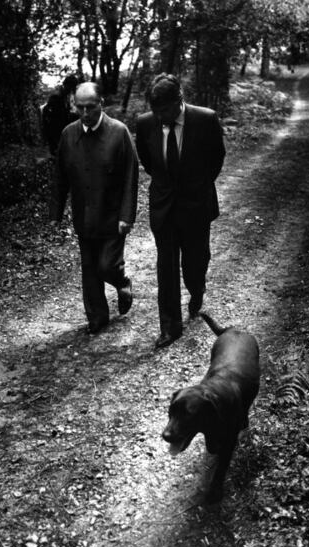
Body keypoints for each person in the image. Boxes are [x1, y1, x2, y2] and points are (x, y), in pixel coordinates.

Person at [136, 73, 226, 349]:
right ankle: (170, 326)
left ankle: (196, 290)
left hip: (196, 204)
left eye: (164, 110)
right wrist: (168, 187)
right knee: (166, 266)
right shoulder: (145, 123)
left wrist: (195, 186)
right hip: (164, 206)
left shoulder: (205, 119)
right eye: (155, 109)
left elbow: (216, 159)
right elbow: (149, 162)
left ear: (179, 101)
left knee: (195, 262)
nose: (160, 115)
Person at [50, 82, 139, 334]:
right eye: (80, 107)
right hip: (84, 215)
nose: (86, 113)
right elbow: (60, 177)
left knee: (107, 266)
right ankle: (97, 318)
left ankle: (122, 282)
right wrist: (55, 214)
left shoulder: (119, 132)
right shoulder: (68, 134)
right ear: (74, 106)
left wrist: (126, 215)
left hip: (112, 217)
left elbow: (130, 177)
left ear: (101, 103)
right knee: (89, 269)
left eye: (90, 106)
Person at [42, 74, 79, 156]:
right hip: (56, 126)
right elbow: (50, 114)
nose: (73, 89)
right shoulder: (57, 96)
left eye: (74, 87)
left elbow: (66, 111)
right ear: (67, 85)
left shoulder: (66, 96)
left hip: (61, 124)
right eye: (72, 86)